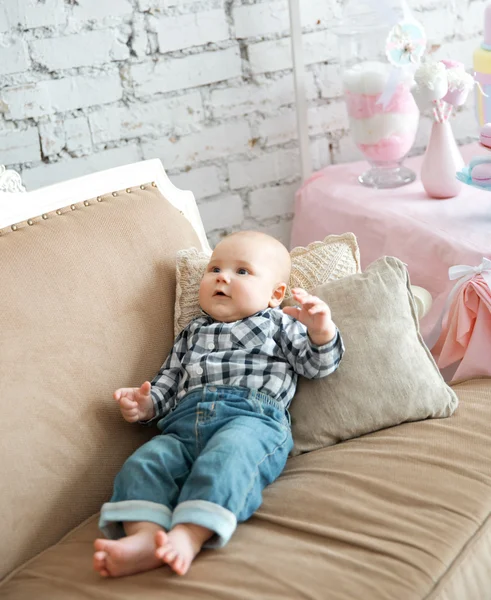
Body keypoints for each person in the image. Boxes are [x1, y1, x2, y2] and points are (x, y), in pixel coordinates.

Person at [93, 230, 344, 578]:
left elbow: (316, 365)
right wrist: (145, 404)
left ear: (275, 294)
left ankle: (189, 535)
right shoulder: (192, 332)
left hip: (252, 418)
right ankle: (145, 537)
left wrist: (321, 331)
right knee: (147, 461)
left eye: (242, 271)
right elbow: (168, 382)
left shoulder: (279, 322)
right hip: (183, 425)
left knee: (228, 457)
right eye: (215, 269)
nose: (223, 277)